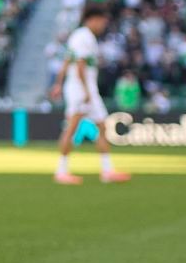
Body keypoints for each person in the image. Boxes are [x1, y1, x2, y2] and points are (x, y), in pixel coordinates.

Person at [49, 14, 130, 185]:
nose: (103, 26)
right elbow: (79, 65)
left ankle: (107, 170)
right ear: (93, 19)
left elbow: (67, 61)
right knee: (71, 128)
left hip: (87, 89)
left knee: (102, 126)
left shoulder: (83, 37)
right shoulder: (83, 37)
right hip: (81, 90)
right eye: (102, 22)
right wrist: (85, 91)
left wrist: (58, 83)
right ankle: (61, 171)